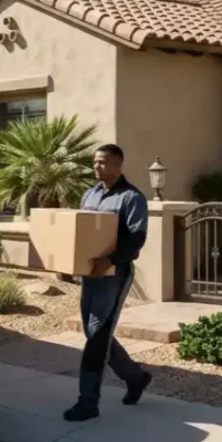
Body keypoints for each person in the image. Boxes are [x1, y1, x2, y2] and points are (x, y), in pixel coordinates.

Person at [63, 144, 152, 423]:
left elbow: (136, 238)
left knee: (98, 336)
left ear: (118, 165)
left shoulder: (132, 198)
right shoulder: (90, 195)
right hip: (89, 275)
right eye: (95, 162)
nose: (97, 167)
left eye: (102, 162)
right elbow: (82, 234)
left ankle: (88, 402)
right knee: (93, 333)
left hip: (114, 275)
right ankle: (135, 377)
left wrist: (111, 259)